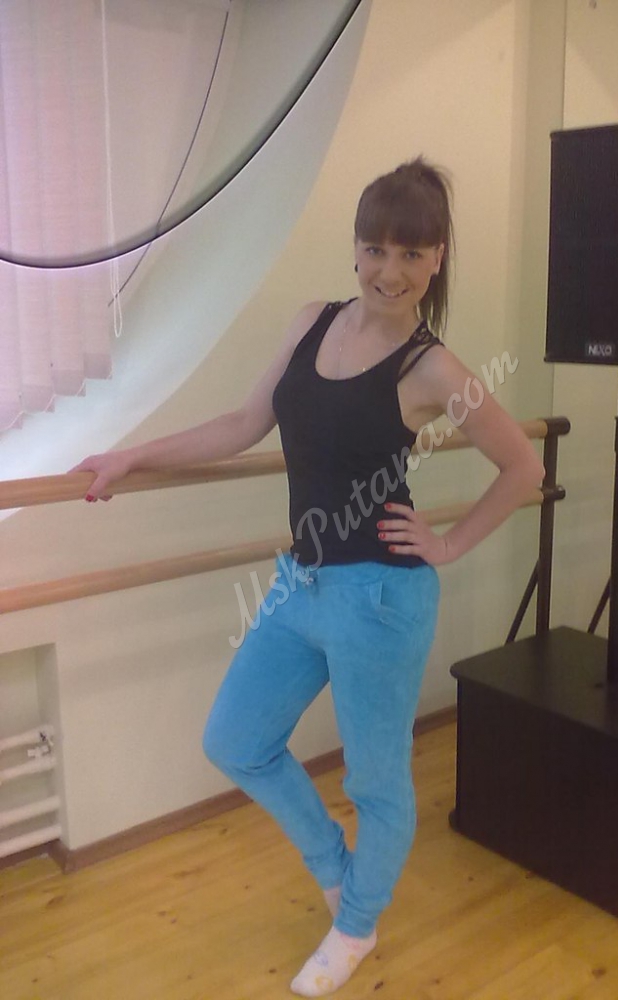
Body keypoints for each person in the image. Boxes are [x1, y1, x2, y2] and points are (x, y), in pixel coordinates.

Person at [73, 158, 544, 997]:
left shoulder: (432, 369)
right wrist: (132, 456)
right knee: (235, 740)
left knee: (375, 781)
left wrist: (448, 544)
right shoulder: (311, 321)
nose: (389, 272)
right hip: (301, 586)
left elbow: (523, 467)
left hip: (382, 598)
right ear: (356, 248)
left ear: (437, 258)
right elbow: (242, 423)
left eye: (411, 254)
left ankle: (356, 925)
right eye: (376, 250)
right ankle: (337, 869)